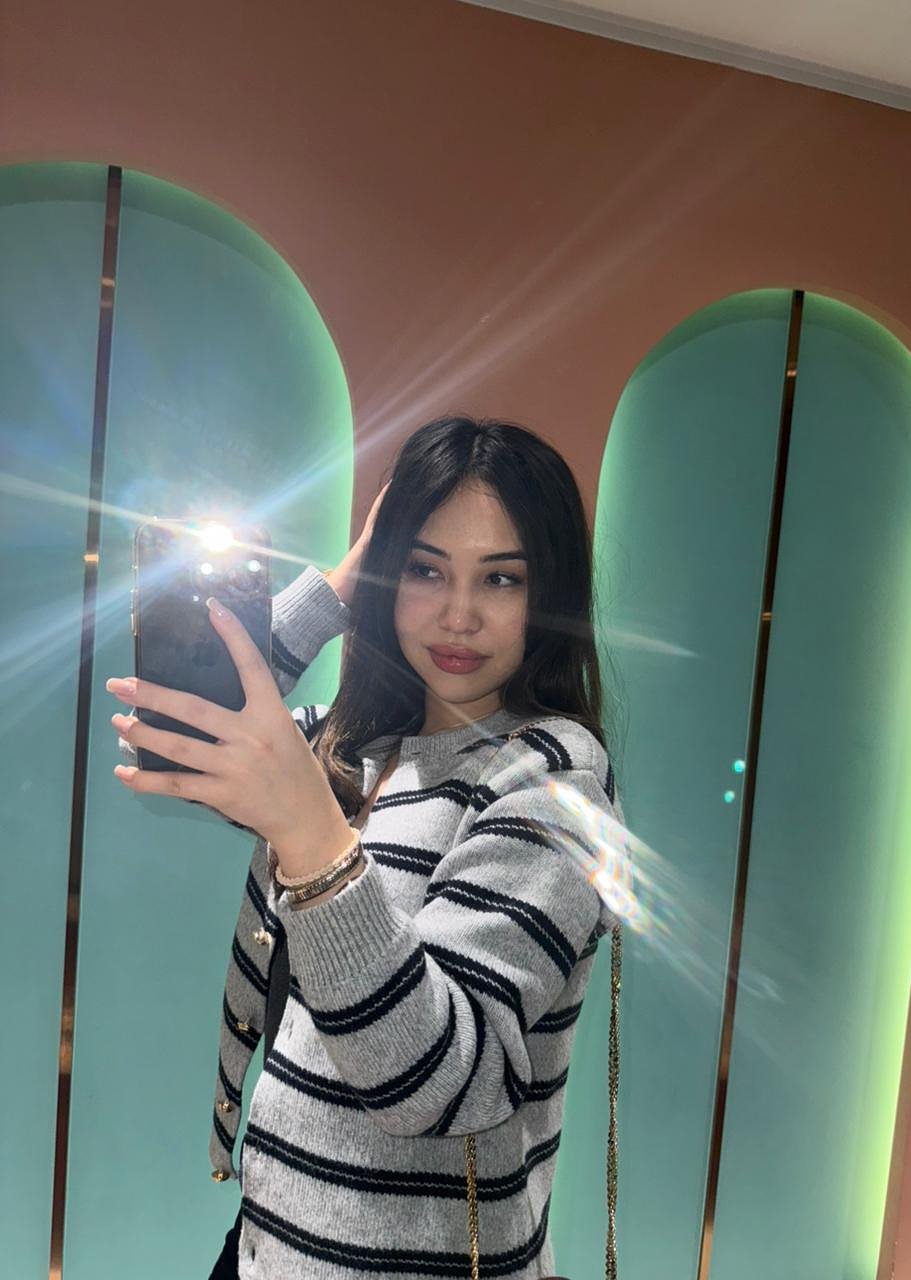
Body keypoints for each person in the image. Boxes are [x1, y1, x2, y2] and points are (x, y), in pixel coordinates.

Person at [108, 416, 624, 1279]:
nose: (458, 614)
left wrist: (312, 840)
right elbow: (182, 733)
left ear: (550, 595)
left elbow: (438, 1081)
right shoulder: (356, 748)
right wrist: (341, 586)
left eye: (501, 578)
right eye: (424, 569)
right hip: (267, 1244)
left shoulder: (551, 778)